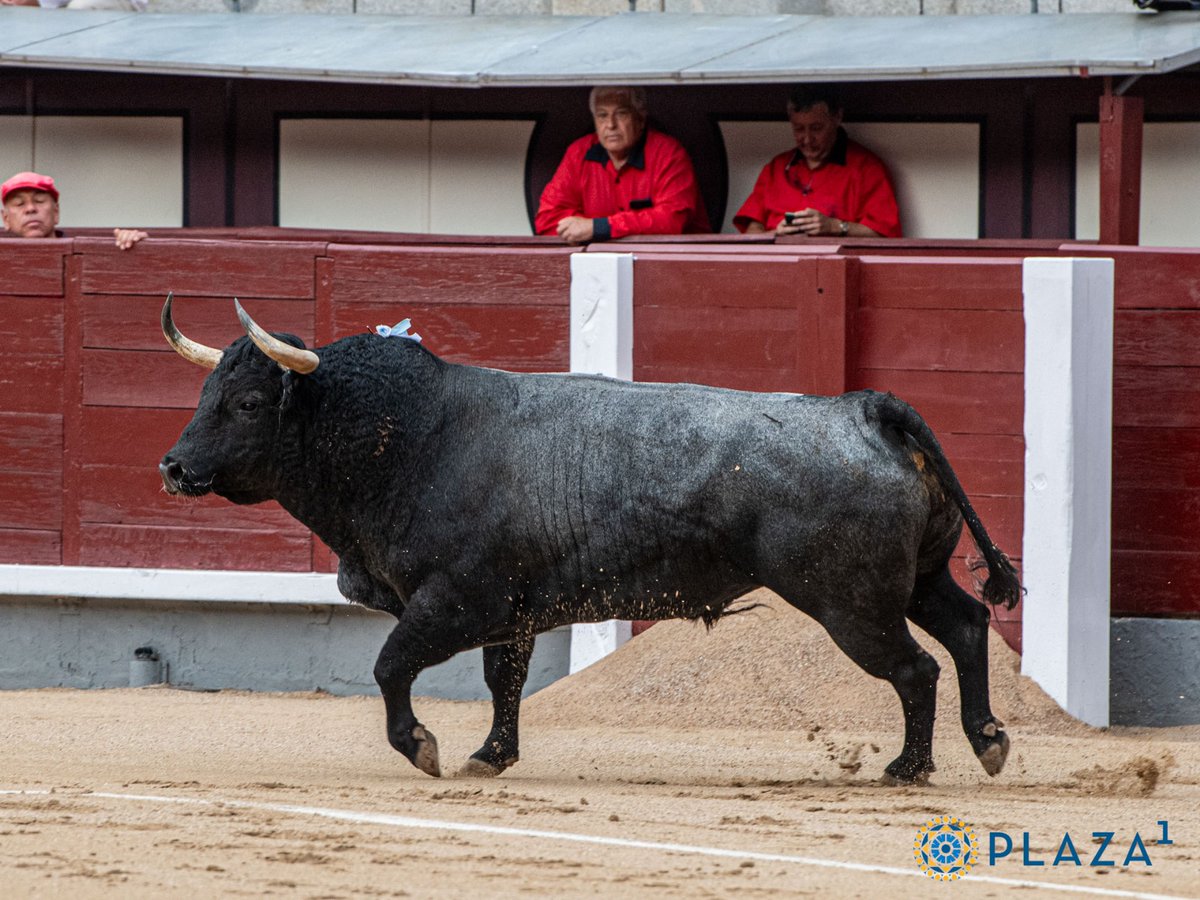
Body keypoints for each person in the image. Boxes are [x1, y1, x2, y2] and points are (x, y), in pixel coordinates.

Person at [536, 86, 710, 244]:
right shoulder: (578, 153)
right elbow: (547, 218)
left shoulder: (669, 153)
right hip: (597, 264)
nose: (610, 125)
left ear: (640, 119)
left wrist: (598, 228)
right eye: (602, 115)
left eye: (621, 114)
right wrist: (581, 231)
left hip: (669, 265)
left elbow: (671, 220)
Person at [733, 84, 902, 239]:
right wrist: (776, 234)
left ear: (837, 117)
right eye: (799, 129)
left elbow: (884, 235)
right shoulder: (776, 168)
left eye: (816, 128)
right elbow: (752, 230)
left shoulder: (867, 168)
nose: (807, 139)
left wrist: (835, 226)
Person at [1, 171, 148, 249]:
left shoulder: (84, 252)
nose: (31, 209)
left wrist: (131, 241)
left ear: (56, 212)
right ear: (6, 219)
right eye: (20, 204)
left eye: (39, 201)